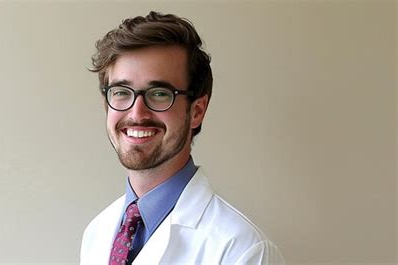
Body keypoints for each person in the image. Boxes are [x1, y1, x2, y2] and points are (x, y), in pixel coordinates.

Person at [80, 11, 286, 265]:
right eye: (122, 91)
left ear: (197, 111)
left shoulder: (243, 250)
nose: (137, 113)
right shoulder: (97, 233)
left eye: (159, 93)